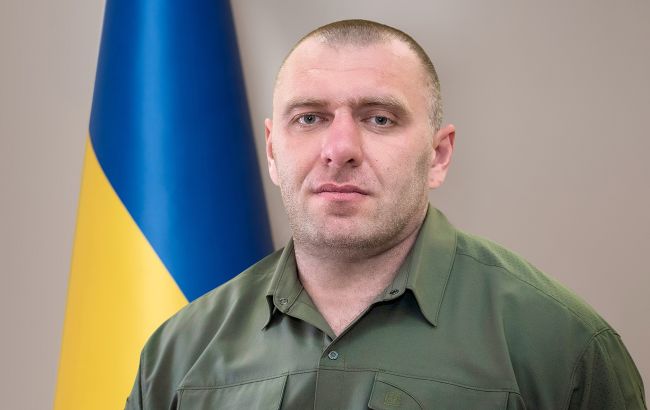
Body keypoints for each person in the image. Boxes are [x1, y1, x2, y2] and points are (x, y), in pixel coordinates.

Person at [125, 19, 646, 409]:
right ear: (272, 152)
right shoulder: (179, 353)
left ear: (438, 155)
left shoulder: (562, 346)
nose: (339, 149)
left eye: (379, 118)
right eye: (310, 118)